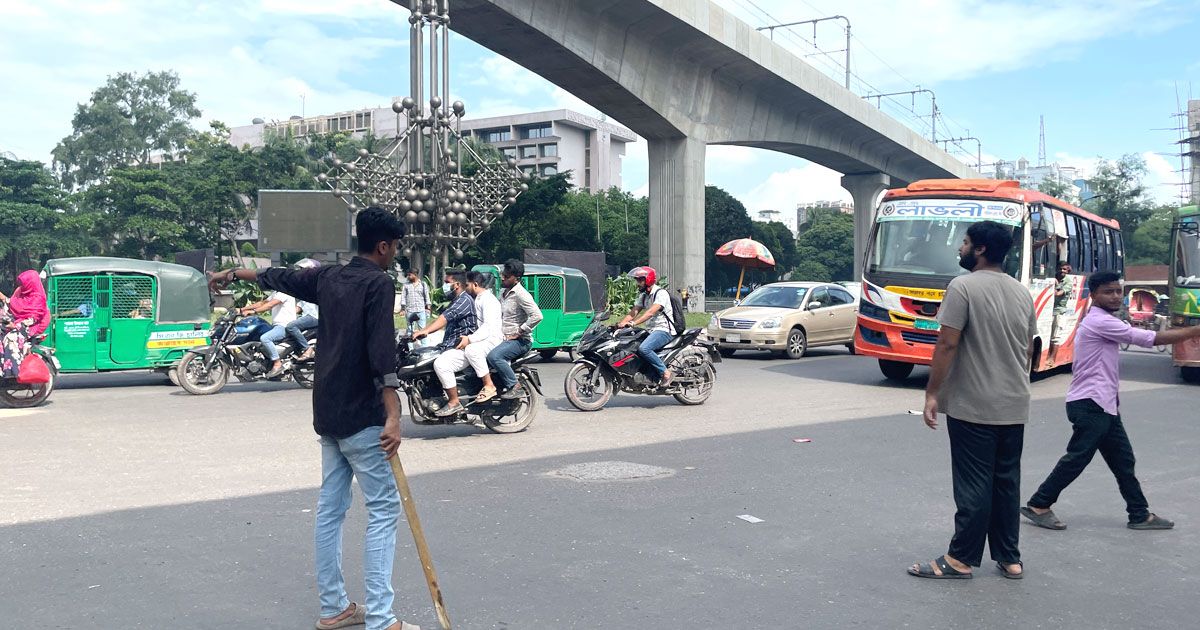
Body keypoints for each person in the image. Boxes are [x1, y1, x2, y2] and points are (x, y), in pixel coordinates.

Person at [208, 207, 416, 630]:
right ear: (383, 245)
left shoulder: (329, 276)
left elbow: (278, 276)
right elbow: (382, 354)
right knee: (383, 510)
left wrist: (233, 274)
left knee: (331, 509)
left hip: (328, 412)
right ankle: (380, 618)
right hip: (362, 413)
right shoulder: (378, 283)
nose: (394, 254)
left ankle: (334, 608)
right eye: (394, 247)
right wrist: (394, 414)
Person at [1022, 270, 1200, 532]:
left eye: (1118, 291)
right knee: (1078, 457)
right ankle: (1039, 504)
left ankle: (1139, 514)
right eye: (1108, 291)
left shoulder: (1103, 320)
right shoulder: (1100, 322)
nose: (1116, 296)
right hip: (1091, 403)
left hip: (1103, 404)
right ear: (1093, 295)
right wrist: (1195, 330)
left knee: (1123, 461)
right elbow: (1150, 339)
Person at [910, 221, 1037, 581]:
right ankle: (1010, 558)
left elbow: (947, 344)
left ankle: (960, 559)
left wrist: (932, 392)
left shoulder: (962, 286)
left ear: (980, 249)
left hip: (975, 404)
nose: (960, 249)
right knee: (1006, 483)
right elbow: (1027, 348)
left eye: (965, 243)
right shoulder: (1020, 291)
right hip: (1014, 403)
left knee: (974, 484)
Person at [414, 270, 478, 417]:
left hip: (463, 348)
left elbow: (444, 318)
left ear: (457, 284)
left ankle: (454, 402)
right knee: (425, 357)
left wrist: (425, 331)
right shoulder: (455, 300)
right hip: (450, 346)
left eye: (447, 282)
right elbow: (440, 319)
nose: (444, 285)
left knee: (441, 364)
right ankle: (435, 397)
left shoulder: (464, 300)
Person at [487, 260, 543, 401]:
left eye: (506, 276)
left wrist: (520, 331)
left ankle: (514, 386)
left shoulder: (521, 294)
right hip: (502, 338)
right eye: (502, 275)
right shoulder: (502, 293)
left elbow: (537, 316)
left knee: (495, 357)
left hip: (520, 341)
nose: (503, 278)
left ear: (516, 278)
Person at [618, 266, 674, 386]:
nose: (637, 283)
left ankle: (665, 372)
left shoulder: (660, 293)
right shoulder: (644, 295)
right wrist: (621, 324)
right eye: (637, 280)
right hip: (651, 330)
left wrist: (633, 323)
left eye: (640, 280)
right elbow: (634, 311)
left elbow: (650, 313)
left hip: (664, 330)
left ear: (648, 280)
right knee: (632, 346)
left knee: (644, 349)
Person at [457, 271, 504, 403]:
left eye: (467, 285)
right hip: (483, 337)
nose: (465, 288)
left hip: (492, 339)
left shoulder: (488, 300)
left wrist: (470, 339)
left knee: (472, 351)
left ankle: (489, 385)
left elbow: (487, 327)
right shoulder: (477, 299)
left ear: (475, 284)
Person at [1, 270, 51, 380]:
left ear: (30, 283)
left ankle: (13, 372)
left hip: (31, 327)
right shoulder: (22, 293)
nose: (21, 286)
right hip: (17, 322)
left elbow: (32, 319)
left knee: (10, 338)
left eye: (24, 284)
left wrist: (15, 326)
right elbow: (14, 305)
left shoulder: (38, 298)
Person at [240, 288, 298, 378]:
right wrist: (243, 309)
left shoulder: (285, 292)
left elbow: (270, 305)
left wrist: (253, 312)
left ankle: (277, 363)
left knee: (265, 338)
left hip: (284, 326)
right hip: (276, 326)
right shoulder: (276, 293)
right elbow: (262, 303)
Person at [288, 259, 321, 362]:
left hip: (315, 317)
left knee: (291, 326)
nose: (301, 273)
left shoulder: (317, 285)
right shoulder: (305, 287)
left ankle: (307, 349)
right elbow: (299, 307)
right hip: (307, 316)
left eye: (304, 270)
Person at [1047, 262, 1073, 368]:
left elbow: (1058, 293)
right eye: (1061, 269)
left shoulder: (1068, 283)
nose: (1062, 271)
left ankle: (1052, 359)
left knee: (1055, 337)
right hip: (1049, 310)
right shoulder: (1053, 278)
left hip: (1059, 312)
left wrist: (1056, 284)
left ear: (1068, 272)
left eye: (1065, 270)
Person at [398, 270, 431, 345]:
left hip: (421, 310)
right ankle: (410, 349)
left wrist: (428, 308)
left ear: (415, 275)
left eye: (410, 275)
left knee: (423, 331)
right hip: (410, 311)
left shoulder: (423, 284)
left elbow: (427, 296)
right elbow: (403, 297)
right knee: (410, 331)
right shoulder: (406, 285)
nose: (408, 277)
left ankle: (424, 349)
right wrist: (403, 309)